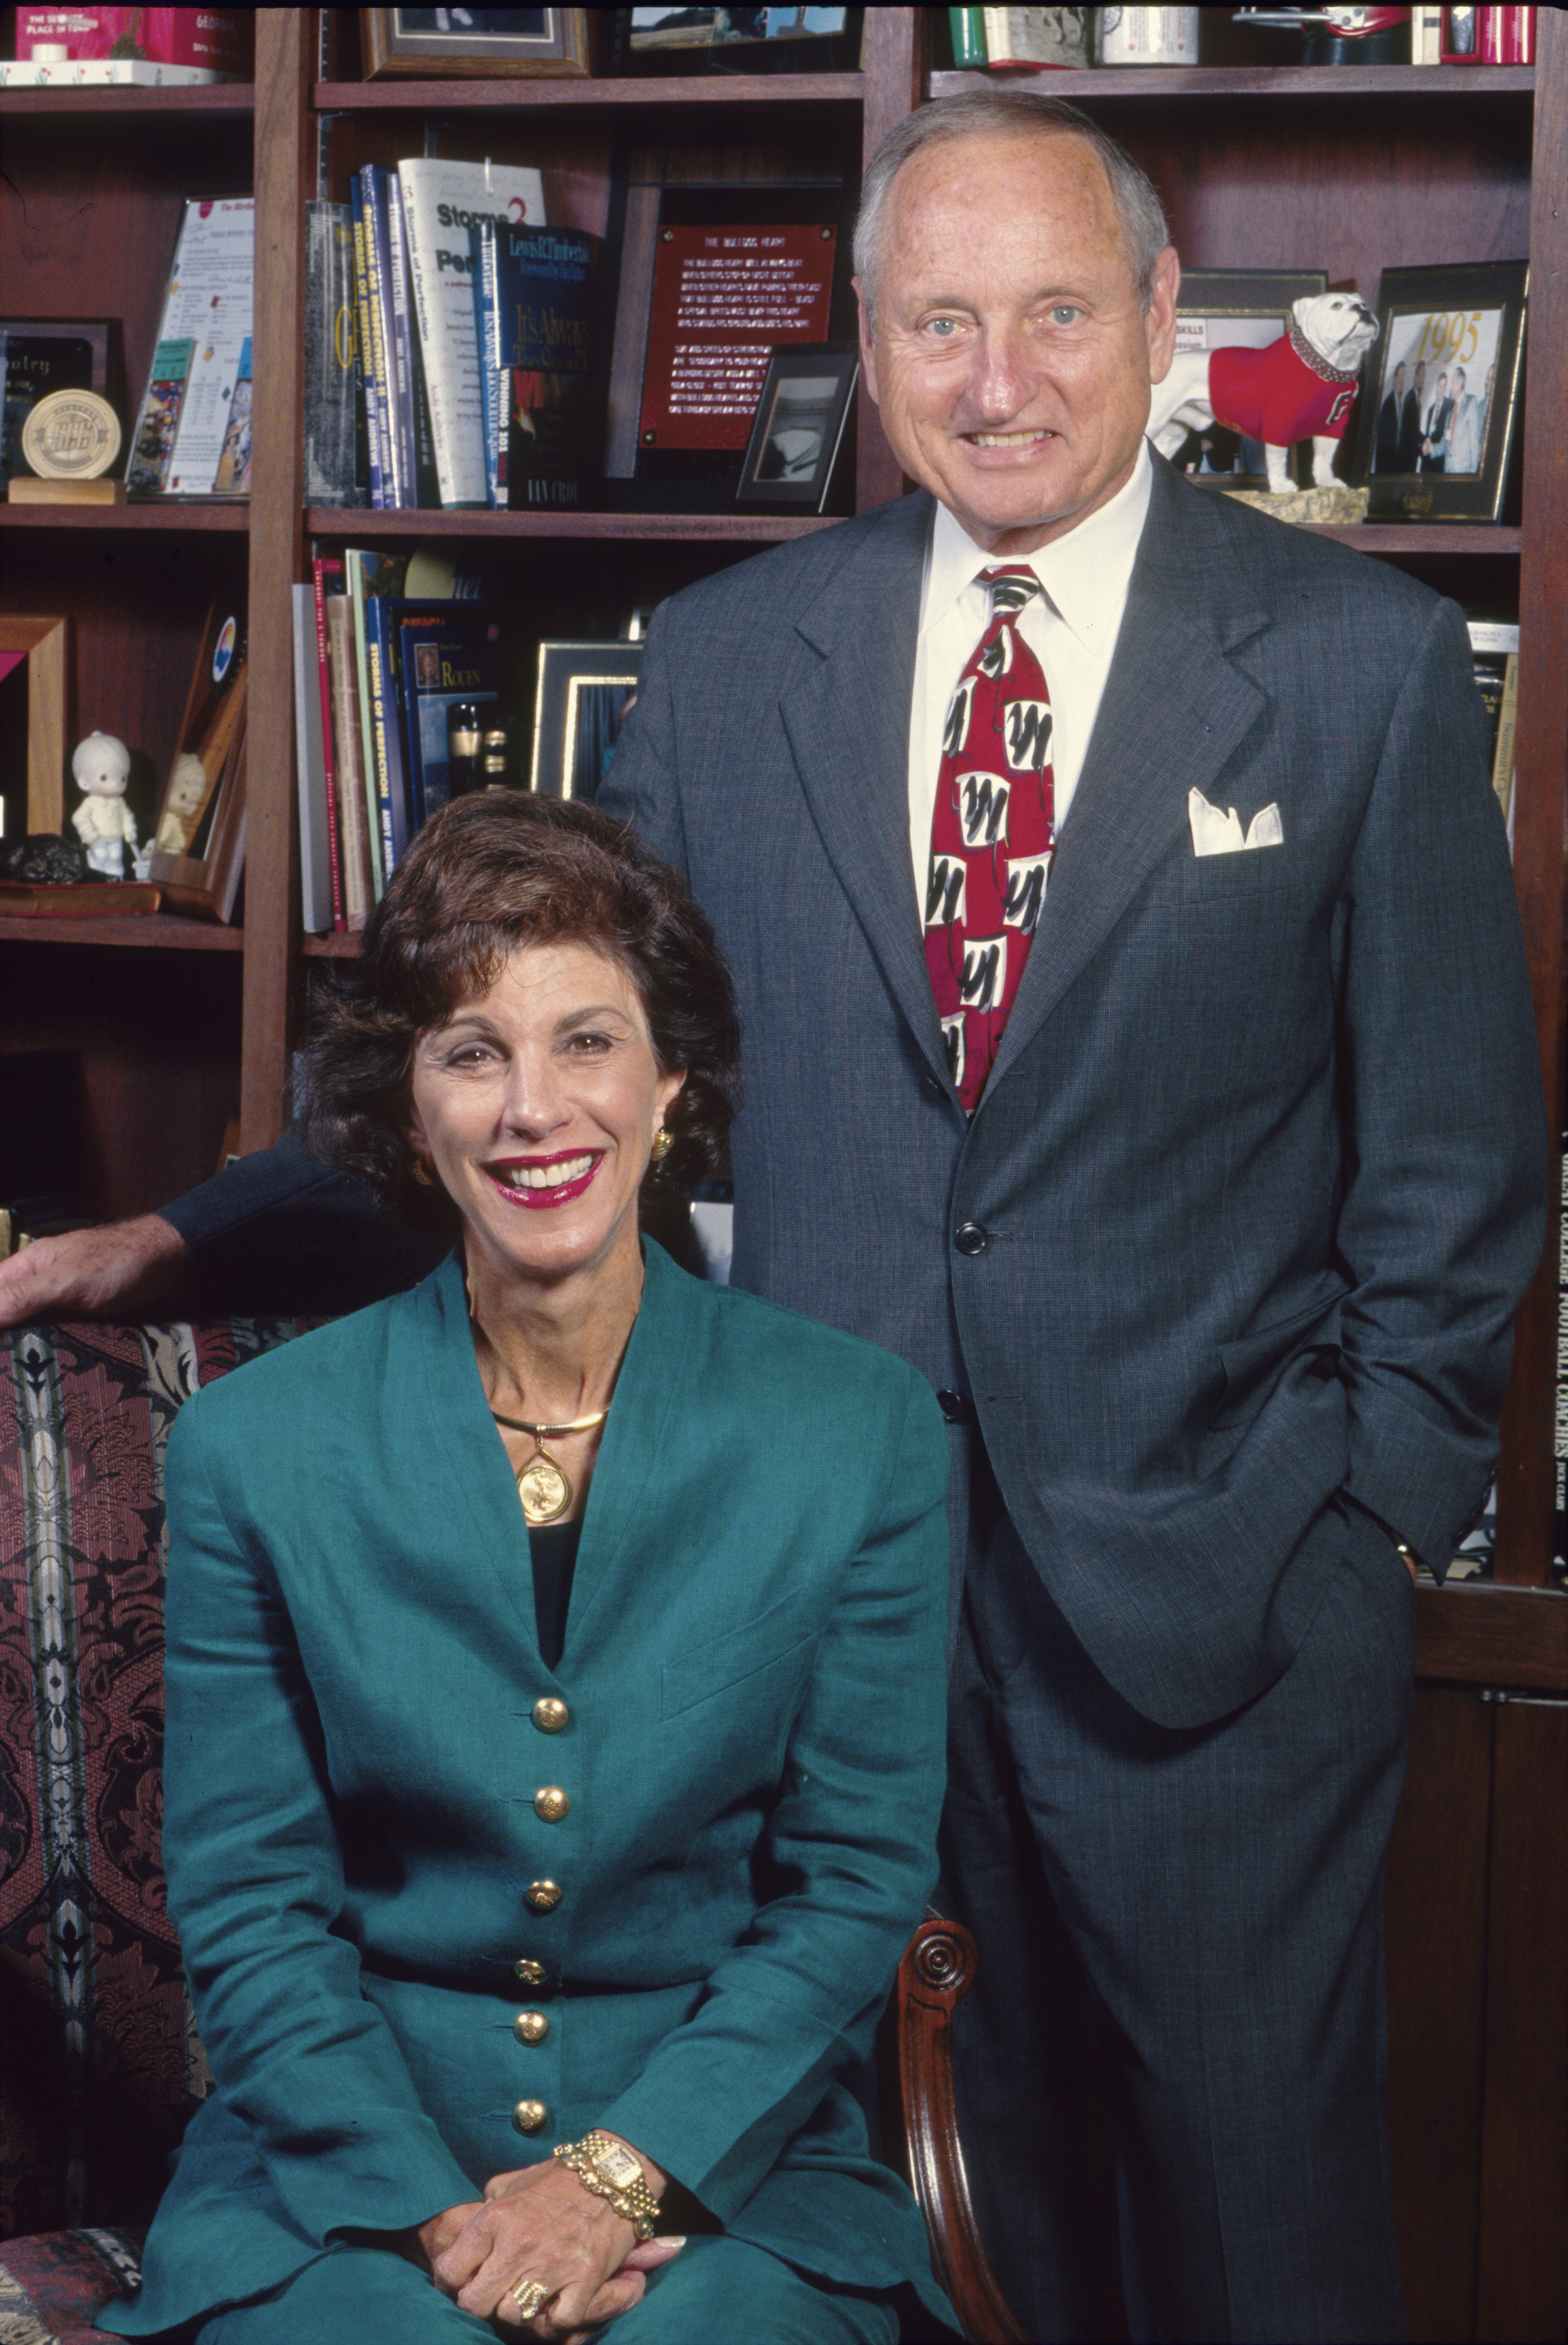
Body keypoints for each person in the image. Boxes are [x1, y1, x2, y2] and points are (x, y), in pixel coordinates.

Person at [5, 87, 1546, 2345]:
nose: (993, 377)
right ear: (868, 336)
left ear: (1153, 328)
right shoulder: (727, 664)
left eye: (1047, 313)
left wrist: (1362, 1523)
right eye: (936, 321)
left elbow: (1450, 1156)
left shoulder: (1353, 663)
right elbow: (529, 1062)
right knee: (927, 2200)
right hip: (815, 1585)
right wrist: (176, 1239)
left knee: (1250, 2219)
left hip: (1222, 1604)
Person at [94, 793, 955, 2345]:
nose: (533, 1107)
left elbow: (849, 1883)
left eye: (588, 1041)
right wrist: (445, 2217)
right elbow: (253, 1898)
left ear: (672, 1077)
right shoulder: (252, 1445)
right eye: (472, 1050)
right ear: (407, 1105)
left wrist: (619, 2178)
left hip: (729, 2157)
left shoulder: (861, 1427)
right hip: (344, 2173)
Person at [1446, 364, 1482, 474]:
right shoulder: (1450, 412)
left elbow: (1474, 442)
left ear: (1459, 383)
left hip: (1463, 472)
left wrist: (1472, 475)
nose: (1450, 387)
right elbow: (1446, 443)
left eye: (1452, 382)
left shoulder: (1471, 403)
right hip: (1448, 471)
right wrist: (1431, 449)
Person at [1374, 358, 1406, 469]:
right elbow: (1384, 445)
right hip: (1386, 466)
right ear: (1395, 378)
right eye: (1400, 376)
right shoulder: (1388, 405)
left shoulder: (1399, 402)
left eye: (1404, 377)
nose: (1402, 380)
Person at [1397, 354, 1427, 469]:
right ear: (1415, 377)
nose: (1423, 380)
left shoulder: (1416, 398)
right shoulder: (1411, 399)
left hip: (1410, 457)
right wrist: (1425, 444)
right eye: (1422, 376)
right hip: (1406, 458)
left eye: (1425, 376)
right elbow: (1411, 432)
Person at [1420, 366, 1453, 469]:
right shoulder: (1431, 410)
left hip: (1440, 462)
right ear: (1436, 387)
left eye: (1444, 386)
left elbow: (1447, 437)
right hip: (1427, 461)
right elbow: (1428, 434)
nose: (1441, 390)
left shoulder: (1450, 406)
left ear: (1446, 389)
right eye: (1439, 386)